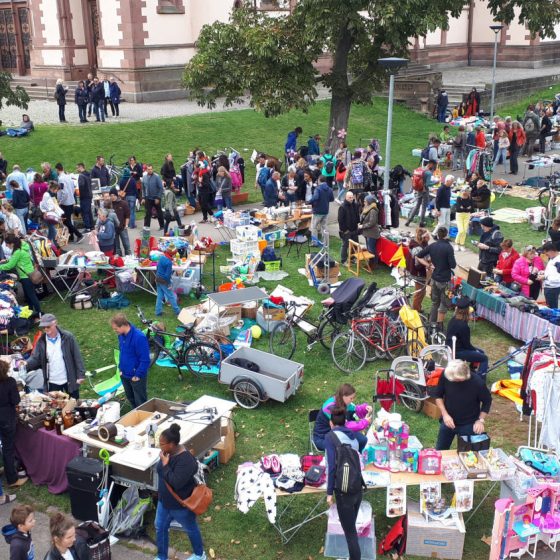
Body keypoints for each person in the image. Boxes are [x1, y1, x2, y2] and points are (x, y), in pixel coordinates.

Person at [155, 423, 208, 560]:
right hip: (164, 502)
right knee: (160, 528)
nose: (160, 447)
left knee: (190, 528)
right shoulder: (167, 453)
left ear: (172, 444)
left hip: (180, 505)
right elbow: (159, 470)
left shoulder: (186, 461)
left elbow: (176, 482)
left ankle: (199, 554)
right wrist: (163, 464)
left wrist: (165, 465)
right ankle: (162, 556)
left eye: (162, 444)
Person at [325, 406, 364, 560]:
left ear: (331, 423)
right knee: (351, 527)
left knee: (350, 533)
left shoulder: (330, 437)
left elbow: (332, 467)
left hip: (343, 492)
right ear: (346, 422)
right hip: (357, 488)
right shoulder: (353, 436)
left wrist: (329, 493)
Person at [434, 359, 492, 451]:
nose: (452, 380)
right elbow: (438, 395)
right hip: (448, 420)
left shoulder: (478, 383)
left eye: (456, 379)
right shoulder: (447, 374)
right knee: (440, 450)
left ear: (465, 376)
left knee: (467, 453)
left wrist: (480, 420)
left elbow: (487, 401)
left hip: (468, 423)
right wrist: (445, 415)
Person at [25, 314, 85, 399]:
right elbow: (35, 358)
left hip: (69, 378)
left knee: (74, 403)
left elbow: (77, 356)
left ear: (55, 323)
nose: (45, 329)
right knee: (55, 406)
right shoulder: (41, 341)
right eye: (43, 327)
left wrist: (81, 375)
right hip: (52, 380)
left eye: (48, 326)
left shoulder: (68, 337)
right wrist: (25, 363)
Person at [313, 383, 372, 452]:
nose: (352, 400)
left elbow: (355, 409)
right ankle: (350, 459)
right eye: (351, 398)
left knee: (362, 440)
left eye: (353, 397)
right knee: (347, 446)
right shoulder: (330, 407)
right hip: (323, 436)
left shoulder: (343, 401)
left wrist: (365, 408)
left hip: (338, 431)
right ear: (343, 396)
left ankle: (357, 458)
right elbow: (344, 426)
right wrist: (364, 422)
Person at [416, 227, 456, 327]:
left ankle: (432, 323)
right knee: (444, 302)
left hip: (434, 278)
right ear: (446, 235)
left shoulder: (433, 245)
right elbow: (453, 265)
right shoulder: (449, 247)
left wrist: (428, 265)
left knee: (435, 302)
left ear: (437, 235)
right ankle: (439, 326)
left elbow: (418, 255)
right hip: (445, 280)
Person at [111, 314, 150, 409]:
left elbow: (145, 359)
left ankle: (144, 419)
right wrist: (120, 368)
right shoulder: (121, 335)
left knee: (141, 402)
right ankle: (135, 416)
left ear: (123, 325)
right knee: (131, 399)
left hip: (136, 376)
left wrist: (137, 375)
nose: (115, 331)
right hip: (124, 374)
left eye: (116, 329)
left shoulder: (139, 337)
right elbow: (122, 352)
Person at [0, 360, 27, 490]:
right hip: (6, 418)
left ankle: (6, 468)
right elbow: (15, 400)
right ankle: (12, 479)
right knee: (8, 448)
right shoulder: (9, 382)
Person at [446, 299, 489, 380]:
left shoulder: (453, 319)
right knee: (484, 358)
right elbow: (467, 345)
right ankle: (480, 379)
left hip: (449, 348)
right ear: (467, 311)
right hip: (457, 352)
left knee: (481, 352)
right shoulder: (464, 326)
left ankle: (472, 371)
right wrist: (475, 350)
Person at [0, 235, 41, 317]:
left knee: (32, 296)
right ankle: (31, 311)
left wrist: (0, 266)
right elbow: (15, 259)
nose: (7, 246)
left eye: (7, 244)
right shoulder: (22, 248)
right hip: (30, 274)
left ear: (12, 244)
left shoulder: (17, 252)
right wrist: (7, 260)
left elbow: (10, 265)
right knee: (29, 296)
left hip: (26, 277)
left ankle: (39, 313)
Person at [55, 163, 83, 243]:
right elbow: (72, 188)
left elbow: (64, 192)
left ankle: (79, 235)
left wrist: (60, 202)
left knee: (66, 221)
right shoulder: (68, 177)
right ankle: (71, 237)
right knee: (68, 220)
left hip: (65, 203)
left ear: (57, 169)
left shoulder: (61, 179)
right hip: (71, 201)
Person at [405, 160, 437, 227]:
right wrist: (435, 182)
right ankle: (421, 222)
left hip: (419, 189)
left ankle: (409, 220)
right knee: (423, 207)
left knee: (417, 205)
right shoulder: (428, 173)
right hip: (425, 191)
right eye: (434, 165)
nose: (434, 167)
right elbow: (428, 184)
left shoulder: (421, 169)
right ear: (431, 164)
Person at [406, 227, 430, 312]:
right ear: (423, 237)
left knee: (421, 291)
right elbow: (418, 263)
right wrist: (428, 263)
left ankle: (418, 307)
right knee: (420, 292)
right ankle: (415, 310)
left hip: (416, 271)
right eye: (428, 236)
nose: (429, 237)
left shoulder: (421, 243)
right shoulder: (417, 248)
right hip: (418, 273)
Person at [155, 243, 181, 316]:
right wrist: (169, 284)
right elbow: (167, 275)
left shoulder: (161, 257)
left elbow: (157, 268)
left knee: (160, 296)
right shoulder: (169, 262)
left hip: (158, 278)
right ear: (172, 253)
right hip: (164, 280)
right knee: (171, 296)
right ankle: (177, 311)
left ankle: (158, 312)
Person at [338, 191, 360, 265]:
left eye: (352, 197)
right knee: (345, 245)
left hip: (354, 229)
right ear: (346, 197)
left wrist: (358, 224)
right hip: (346, 231)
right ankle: (344, 260)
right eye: (349, 197)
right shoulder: (342, 207)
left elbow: (357, 215)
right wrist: (344, 230)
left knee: (355, 244)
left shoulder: (355, 205)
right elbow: (340, 220)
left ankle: (352, 258)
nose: (351, 199)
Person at [310, 175, 334, 244]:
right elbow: (332, 199)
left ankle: (314, 242)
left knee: (314, 227)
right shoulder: (329, 189)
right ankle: (326, 242)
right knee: (324, 227)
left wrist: (309, 202)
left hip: (317, 211)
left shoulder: (318, 189)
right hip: (325, 210)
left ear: (319, 180)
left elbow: (315, 198)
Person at [359, 193, 379, 268]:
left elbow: (372, 223)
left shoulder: (373, 210)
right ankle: (370, 263)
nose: (364, 202)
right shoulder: (366, 208)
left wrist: (362, 226)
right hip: (367, 233)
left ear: (369, 202)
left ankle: (373, 265)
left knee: (371, 250)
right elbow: (362, 217)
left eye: (365, 201)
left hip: (372, 233)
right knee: (369, 249)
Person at [142, 164, 165, 229]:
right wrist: (143, 197)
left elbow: (161, 188)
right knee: (147, 213)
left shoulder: (157, 177)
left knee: (159, 212)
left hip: (156, 198)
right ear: (146, 170)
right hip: (148, 198)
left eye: (151, 169)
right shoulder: (144, 177)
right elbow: (143, 188)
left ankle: (162, 226)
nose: (150, 170)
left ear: (153, 169)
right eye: (148, 169)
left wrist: (158, 197)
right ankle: (146, 227)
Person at [109, 188, 131, 256]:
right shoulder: (109, 204)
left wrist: (126, 225)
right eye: (111, 195)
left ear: (116, 195)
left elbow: (127, 215)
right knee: (116, 247)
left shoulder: (123, 203)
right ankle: (119, 258)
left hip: (122, 227)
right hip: (113, 229)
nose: (112, 197)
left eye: (113, 195)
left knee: (126, 245)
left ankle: (129, 257)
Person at [540, 242, 560, 309]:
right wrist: (543, 273)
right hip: (549, 287)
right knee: (550, 307)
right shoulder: (552, 258)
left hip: (553, 288)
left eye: (547, 254)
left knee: (552, 309)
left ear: (551, 251)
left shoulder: (558, 261)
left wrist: (545, 277)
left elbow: (558, 278)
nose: (546, 255)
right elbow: (552, 271)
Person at [75, 163, 93, 232]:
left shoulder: (81, 176)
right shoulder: (88, 174)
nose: (77, 169)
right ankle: (91, 226)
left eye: (77, 168)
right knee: (89, 212)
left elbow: (81, 186)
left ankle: (87, 228)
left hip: (84, 196)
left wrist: (78, 194)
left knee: (85, 212)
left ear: (80, 167)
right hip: (89, 195)